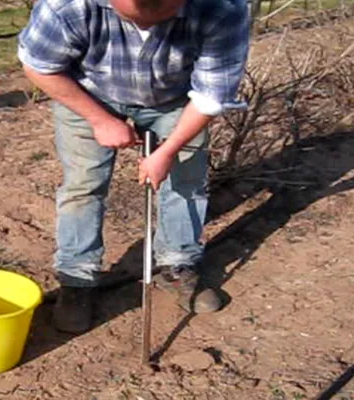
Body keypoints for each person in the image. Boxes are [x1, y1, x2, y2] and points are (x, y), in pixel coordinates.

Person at [17, 0, 250, 333]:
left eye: (162, 17)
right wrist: (99, 119)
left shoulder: (221, 8)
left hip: (176, 98)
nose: (148, 28)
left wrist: (168, 151)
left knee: (186, 181)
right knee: (83, 184)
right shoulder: (67, 4)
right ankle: (77, 278)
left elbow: (211, 95)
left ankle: (177, 265)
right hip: (88, 92)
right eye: (133, 18)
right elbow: (39, 65)